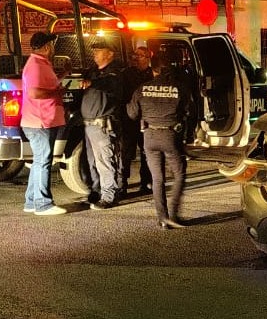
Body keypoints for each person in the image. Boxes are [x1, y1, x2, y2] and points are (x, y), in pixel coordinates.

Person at [127, 54, 196, 229]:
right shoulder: (180, 88)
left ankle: (162, 218)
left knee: (157, 178)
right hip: (170, 135)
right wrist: (189, 136)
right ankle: (174, 214)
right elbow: (191, 112)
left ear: (154, 69)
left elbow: (132, 114)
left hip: (149, 136)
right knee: (179, 174)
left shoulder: (142, 88)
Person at [20, 31, 68, 216]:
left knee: (39, 161)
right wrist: (56, 94)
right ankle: (43, 204)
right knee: (43, 161)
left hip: (42, 121)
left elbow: (49, 84)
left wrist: (64, 73)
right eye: (53, 45)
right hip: (39, 122)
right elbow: (34, 93)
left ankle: (31, 201)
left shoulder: (42, 64)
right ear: (47, 47)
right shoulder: (36, 66)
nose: (54, 49)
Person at [81, 39, 126, 210]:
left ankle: (109, 196)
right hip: (88, 124)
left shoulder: (114, 73)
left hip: (102, 125)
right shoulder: (92, 72)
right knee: (92, 161)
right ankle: (97, 191)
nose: (95, 53)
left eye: (99, 50)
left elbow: (111, 85)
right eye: (95, 50)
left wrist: (93, 83)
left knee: (105, 161)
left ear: (110, 53)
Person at [120, 46, 154, 193]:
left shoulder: (153, 75)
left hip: (147, 120)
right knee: (125, 153)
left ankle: (146, 182)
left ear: (148, 58)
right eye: (135, 55)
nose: (135, 58)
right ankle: (122, 184)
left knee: (147, 152)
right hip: (130, 120)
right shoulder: (126, 74)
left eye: (140, 55)